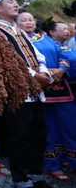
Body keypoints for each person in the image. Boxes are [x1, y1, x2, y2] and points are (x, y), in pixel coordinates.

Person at [0, 0, 53, 188]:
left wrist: (45, 72)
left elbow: (36, 54)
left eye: (16, 1)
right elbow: (6, 61)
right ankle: (21, 179)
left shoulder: (19, 30)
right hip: (17, 93)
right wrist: (35, 76)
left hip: (36, 90)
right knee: (20, 136)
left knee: (38, 134)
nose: (16, 4)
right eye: (11, 1)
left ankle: (35, 175)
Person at [31, 20, 76, 182]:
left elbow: (69, 56)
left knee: (71, 127)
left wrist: (62, 69)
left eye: (67, 28)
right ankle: (52, 165)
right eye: (63, 28)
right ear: (51, 32)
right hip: (42, 91)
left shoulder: (59, 44)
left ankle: (71, 161)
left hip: (63, 92)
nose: (67, 31)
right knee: (49, 130)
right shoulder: (34, 40)